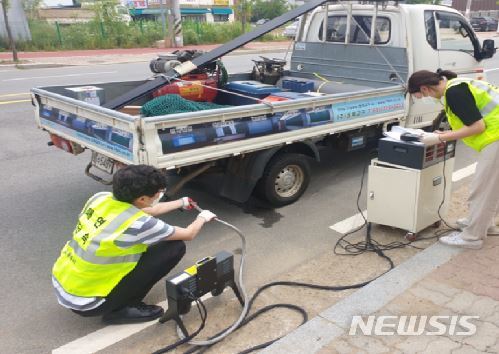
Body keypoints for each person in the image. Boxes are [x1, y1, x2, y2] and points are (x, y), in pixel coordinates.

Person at [51, 165, 217, 323]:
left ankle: (116, 300)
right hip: (91, 303)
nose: (159, 195)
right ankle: (121, 309)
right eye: (158, 193)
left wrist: (181, 202)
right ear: (143, 198)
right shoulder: (139, 224)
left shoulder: (100, 198)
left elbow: (147, 209)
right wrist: (203, 217)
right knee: (174, 248)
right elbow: (188, 234)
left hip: (66, 285)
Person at [407, 69, 499, 249]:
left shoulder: (454, 93)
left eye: (420, 96)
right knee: (491, 187)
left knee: (481, 189)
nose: (425, 99)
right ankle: (485, 224)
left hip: (496, 138)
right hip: (495, 136)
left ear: (425, 89)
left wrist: (440, 138)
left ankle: (472, 238)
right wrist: (448, 133)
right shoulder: (457, 85)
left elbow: (477, 127)